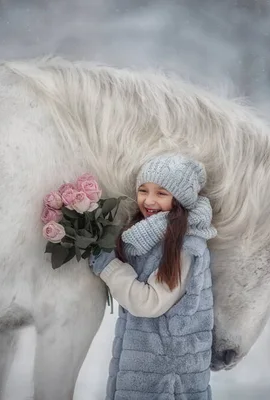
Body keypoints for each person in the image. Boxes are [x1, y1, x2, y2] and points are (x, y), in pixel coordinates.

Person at [89, 153, 217, 400]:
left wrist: (109, 267)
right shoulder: (150, 234)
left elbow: (148, 302)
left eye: (161, 193)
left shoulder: (185, 246)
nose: (148, 200)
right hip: (146, 367)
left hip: (165, 379)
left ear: (179, 199)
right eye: (143, 190)